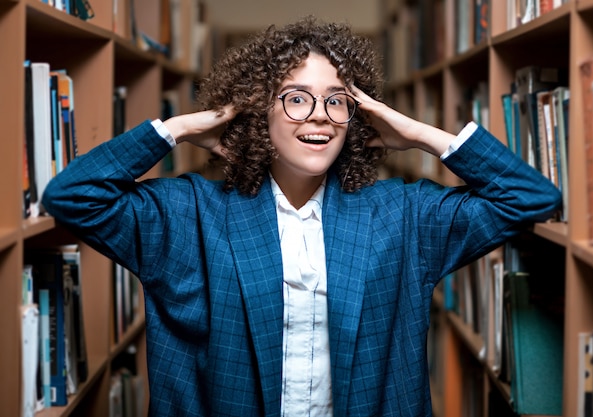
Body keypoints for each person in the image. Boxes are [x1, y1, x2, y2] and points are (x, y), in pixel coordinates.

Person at [42, 17, 561, 417]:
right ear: (256, 112)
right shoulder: (187, 213)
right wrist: (177, 128)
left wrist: (422, 135)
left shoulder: (402, 214)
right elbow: (72, 197)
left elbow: (529, 198)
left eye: (337, 102)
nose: (319, 115)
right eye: (295, 99)